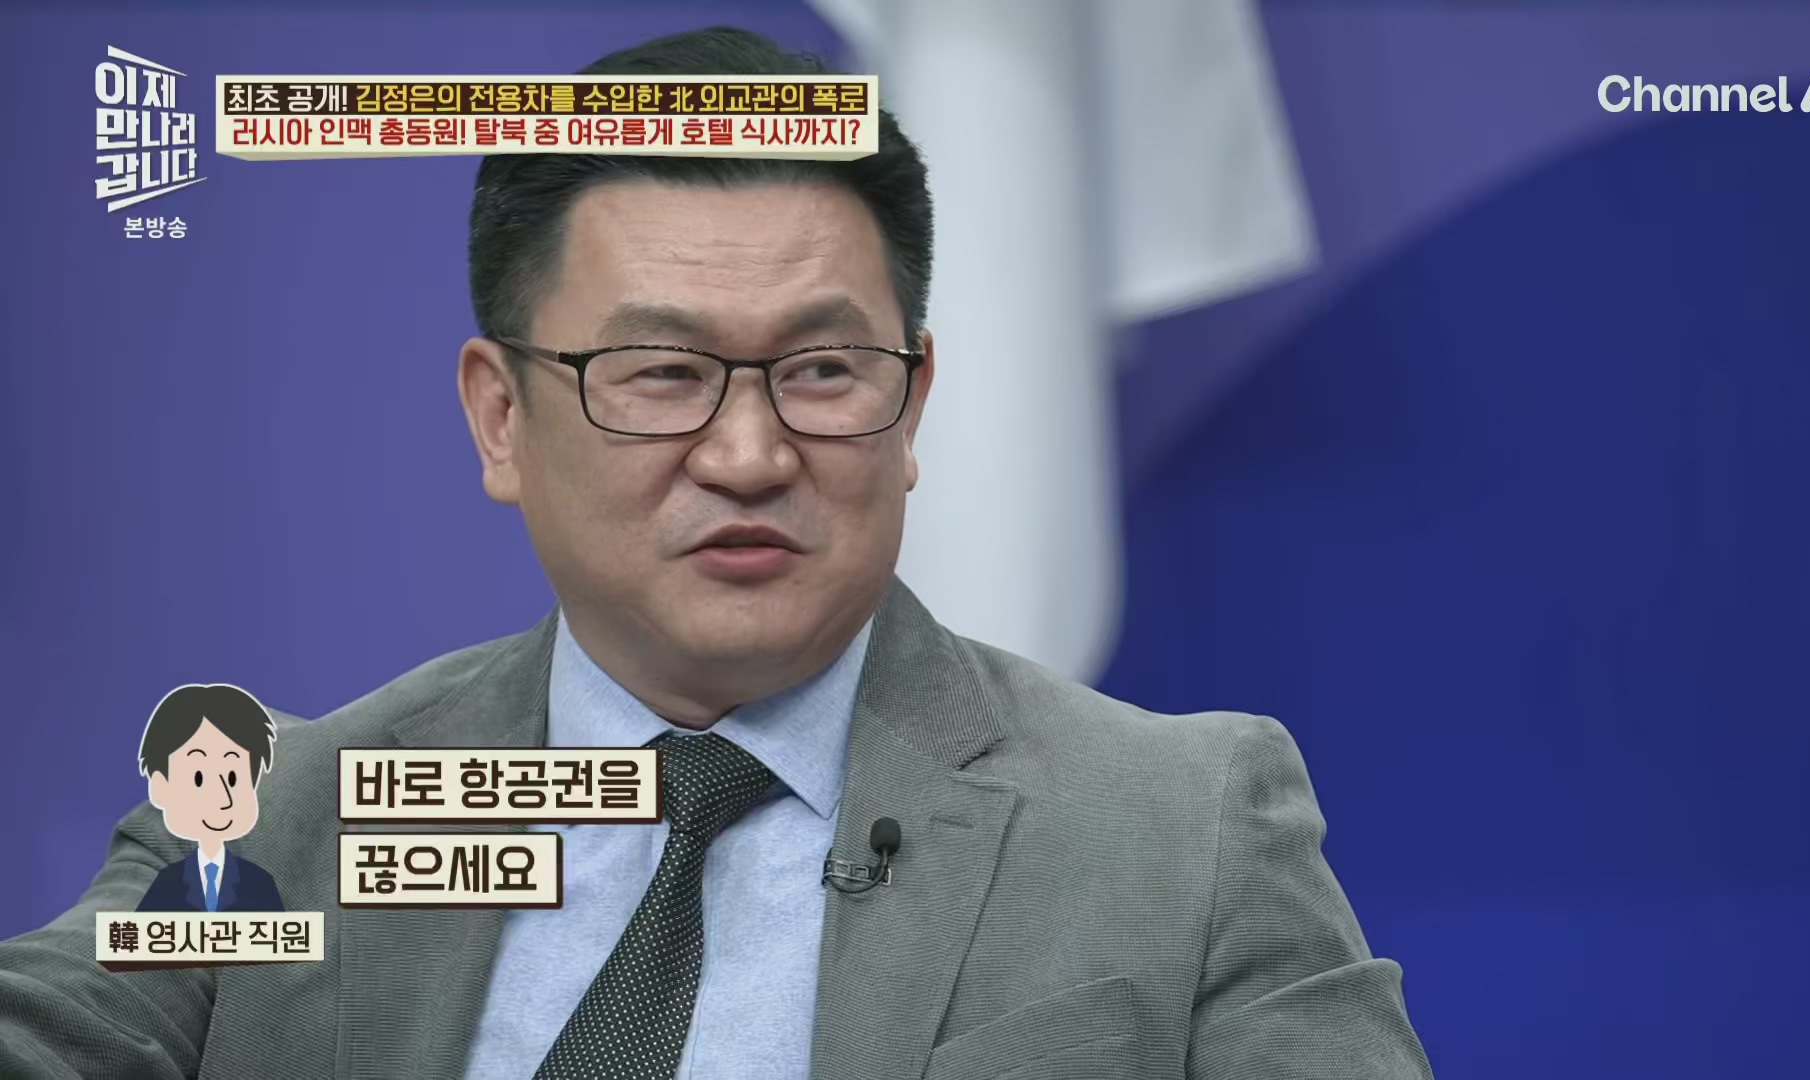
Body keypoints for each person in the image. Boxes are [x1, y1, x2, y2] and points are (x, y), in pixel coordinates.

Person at [0, 26, 1433, 1080]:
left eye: (823, 372)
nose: (749, 455)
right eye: (662, 375)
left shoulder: (1181, 831)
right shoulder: (278, 821)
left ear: (912, 406)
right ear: (500, 419)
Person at [133, 684, 286, 914]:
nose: (223, 799)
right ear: (160, 786)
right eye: (199, 778)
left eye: (232, 779)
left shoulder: (259, 882)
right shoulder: (167, 882)